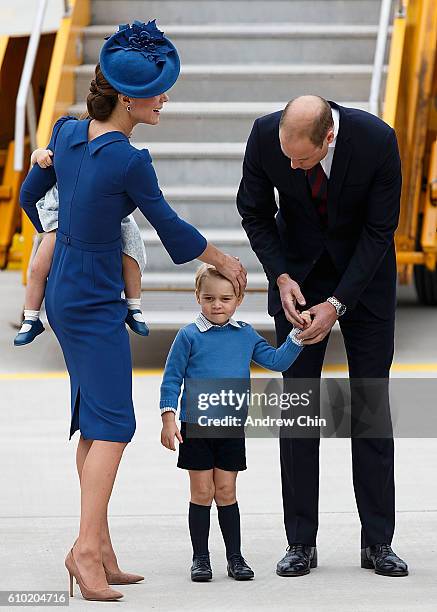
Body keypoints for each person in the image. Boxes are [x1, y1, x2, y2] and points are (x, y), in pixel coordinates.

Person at [20, 20, 247, 603]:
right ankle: (85, 552)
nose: (164, 98)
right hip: (94, 293)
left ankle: (102, 547)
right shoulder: (129, 160)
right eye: (158, 90)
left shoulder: (66, 133)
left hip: (67, 286)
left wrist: (62, 240)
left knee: (96, 421)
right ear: (128, 98)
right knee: (116, 426)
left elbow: (27, 197)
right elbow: (169, 229)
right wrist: (223, 256)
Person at [237, 95, 408, 577]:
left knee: (369, 405)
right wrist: (282, 277)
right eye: (286, 156)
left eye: (303, 160)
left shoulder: (377, 141)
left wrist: (337, 304)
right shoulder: (266, 134)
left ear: (328, 137)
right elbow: (253, 210)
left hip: (365, 282)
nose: (292, 166)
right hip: (299, 280)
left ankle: (378, 542)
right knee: (297, 409)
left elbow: (380, 231)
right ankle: (300, 542)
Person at [159, 263, 310, 582]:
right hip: (195, 429)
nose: (217, 305)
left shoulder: (245, 335)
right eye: (209, 298)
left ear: (238, 298)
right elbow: (171, 379)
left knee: (226, 491)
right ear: (197, 297)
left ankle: (235, 557)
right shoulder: (189, 336)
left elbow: (275, 361)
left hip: (231, 428)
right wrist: (168, 418)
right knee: (201, 493)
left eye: (225, 299)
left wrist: (298, 335)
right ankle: (201, 559)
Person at [14, 147, 149, 346]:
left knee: (131, 257)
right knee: (38, 266)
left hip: (106, 216)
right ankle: (31, 317)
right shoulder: (65, 151)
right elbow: (40, 158)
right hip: (62, 218)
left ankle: (134, 307)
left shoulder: (114, 156)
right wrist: (38, 155)